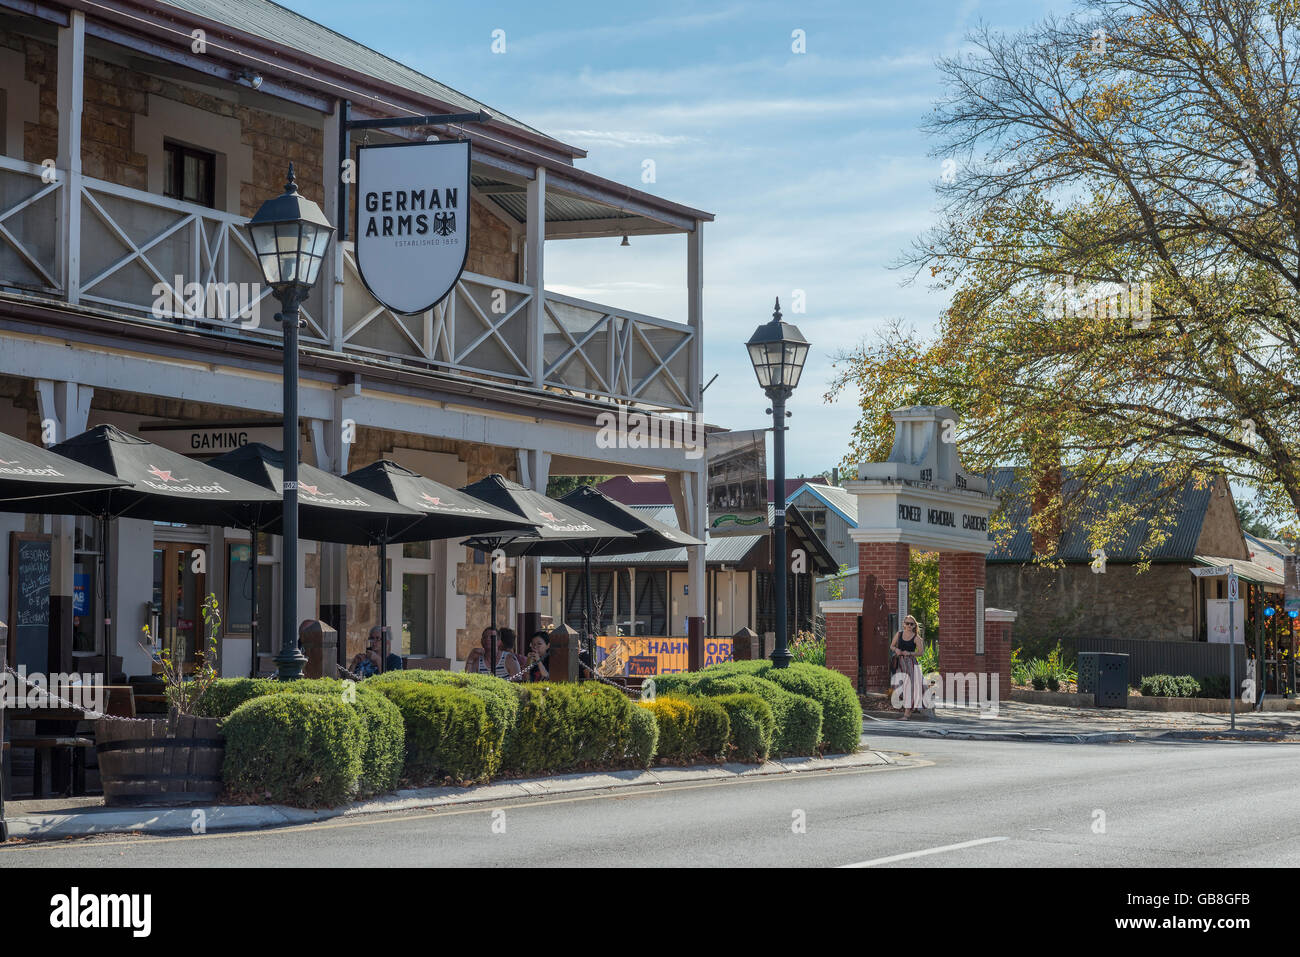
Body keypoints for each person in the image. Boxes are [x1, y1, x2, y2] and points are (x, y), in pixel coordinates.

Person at [889, 615, 926, 719]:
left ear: (914, 625)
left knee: (909, 687)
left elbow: (921, 653)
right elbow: (891, 646)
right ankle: (908, 710)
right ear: (903, 624)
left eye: (911, 624)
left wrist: (909, 653)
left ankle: (906, 713)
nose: (909, 625)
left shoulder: (916, 638)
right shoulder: (899, 634)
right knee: (899, 687)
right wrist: (895, 650)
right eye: (907, 623)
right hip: (899, 663)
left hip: (910, 664)